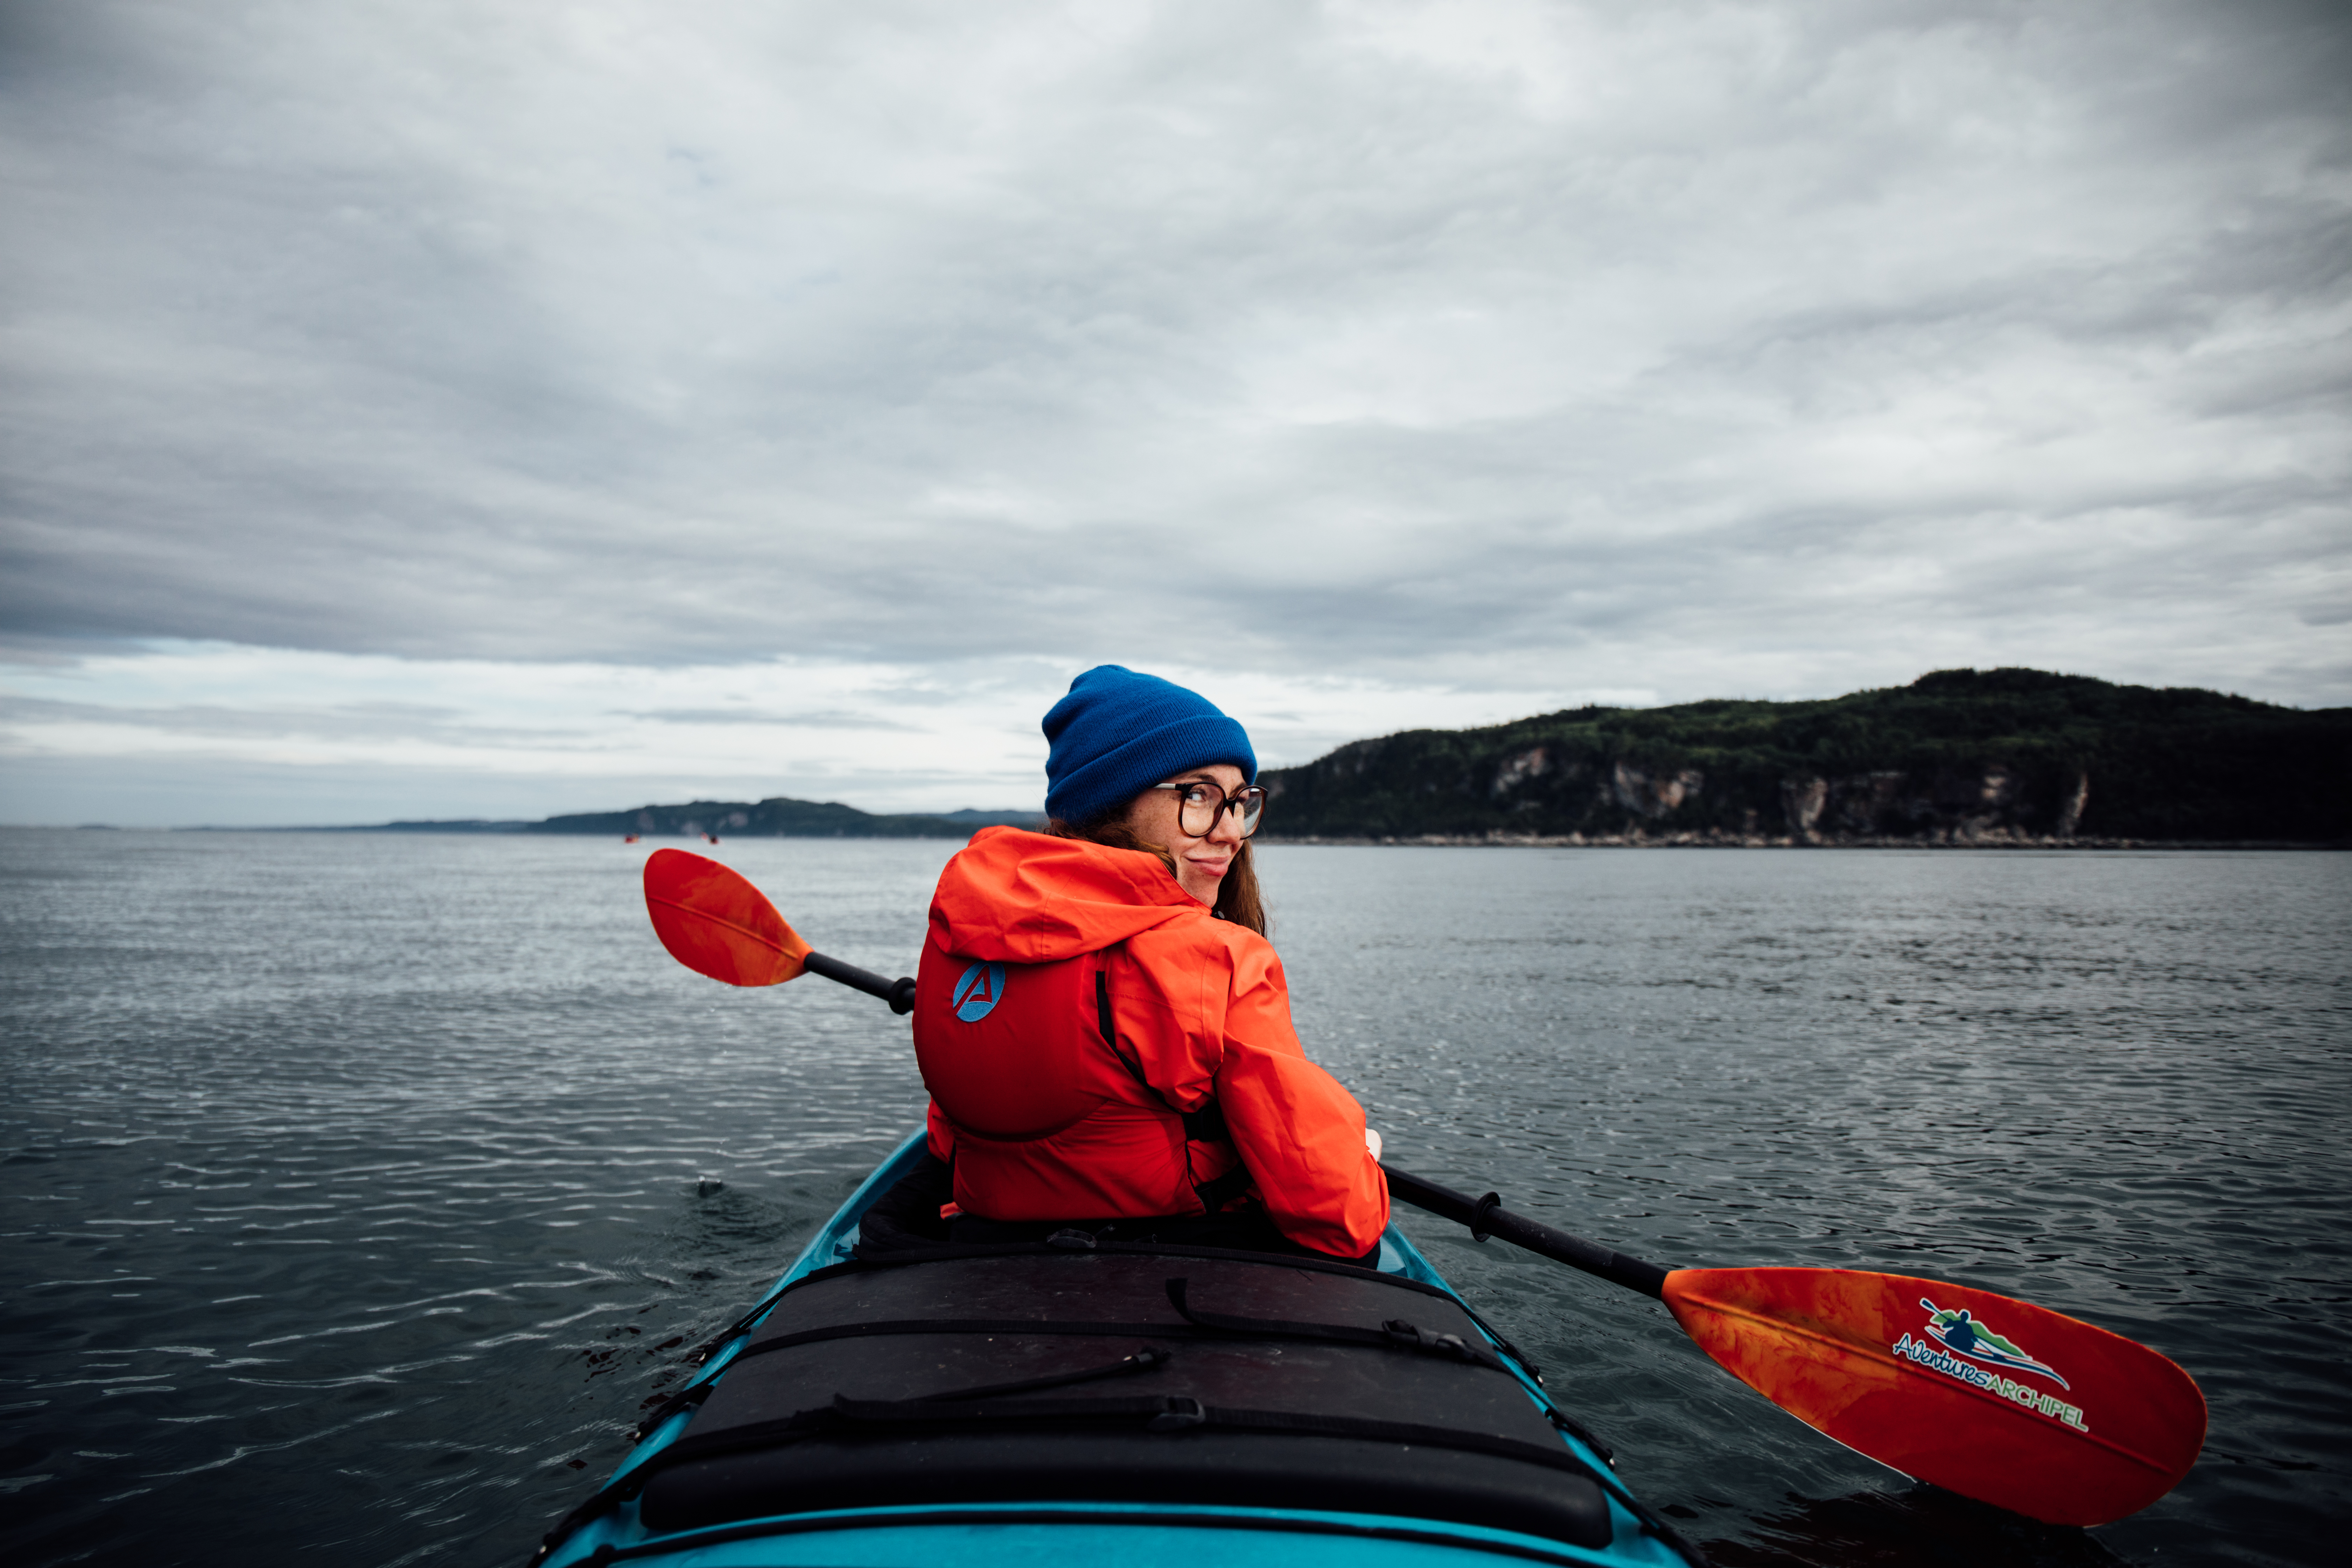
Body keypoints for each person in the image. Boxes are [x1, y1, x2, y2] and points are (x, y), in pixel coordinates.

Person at [863, 665, 1388, 1265]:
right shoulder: (1217, 958)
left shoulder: (961, 932)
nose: (1231, 833)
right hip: (1181, 1258)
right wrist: (1358, 1151)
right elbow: (1339, 1219)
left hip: (983, 1245)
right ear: (1111, 806)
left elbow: (947, 1136)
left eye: (1240, 802)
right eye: (1198, 796)